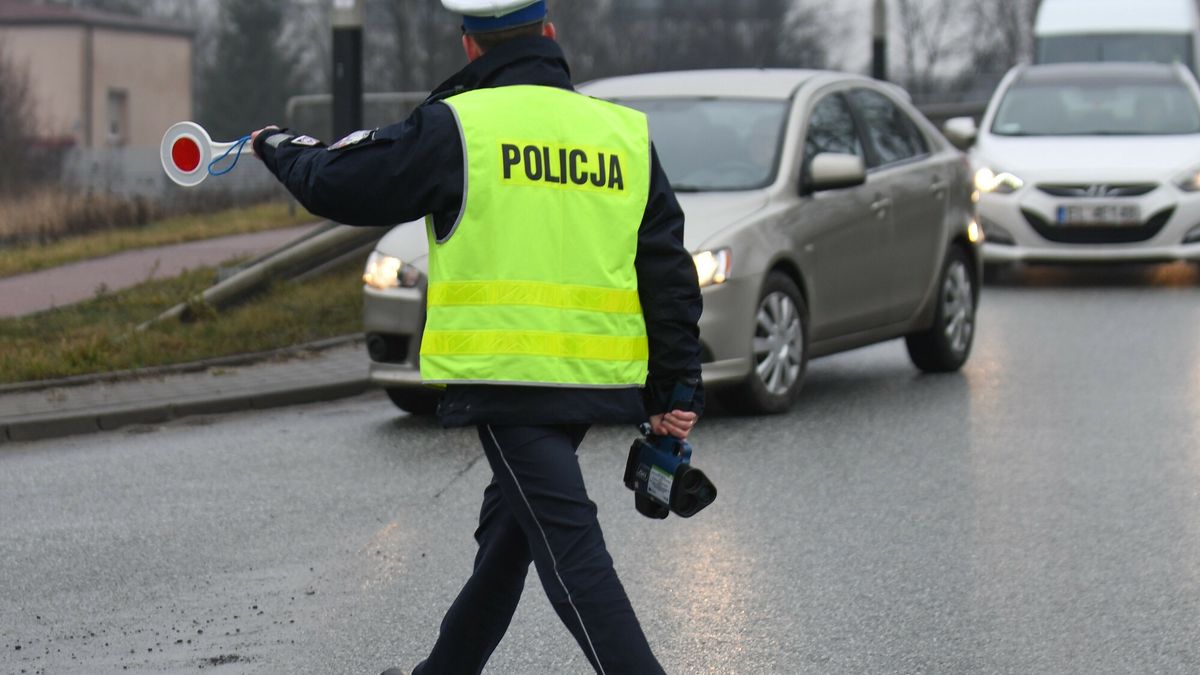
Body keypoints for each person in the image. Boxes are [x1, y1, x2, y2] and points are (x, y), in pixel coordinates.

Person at [250, 1, 704, 672]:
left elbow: (340, 185)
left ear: (471, 46)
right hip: (594, 377)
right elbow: (666, 269)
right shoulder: (622, 134)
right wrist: (675, 387)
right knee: (508, 541)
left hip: (508, 379)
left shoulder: (458, 128)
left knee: (572, 556)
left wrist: (278, 146)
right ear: (549, 33)